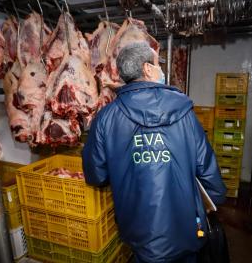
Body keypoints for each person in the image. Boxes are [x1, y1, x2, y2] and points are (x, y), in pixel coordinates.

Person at [82, 42, 226, 263]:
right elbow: (206, 167)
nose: (161, 70)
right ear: (148, 69)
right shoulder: (185, 112)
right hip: (185, 226)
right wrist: (214, 199)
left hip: (138, 231)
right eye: (158, 65)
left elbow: (96, 175)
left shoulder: (106, 118)